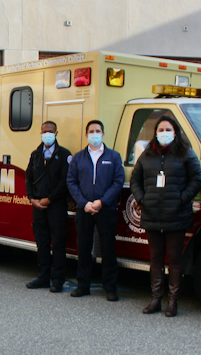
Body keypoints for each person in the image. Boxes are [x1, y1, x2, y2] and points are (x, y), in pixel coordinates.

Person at [129, 115, 201, 316]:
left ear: (175, 131)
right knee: (156, 259)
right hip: (152, 213)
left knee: (175, 260)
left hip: (176, 214)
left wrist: (182, 198)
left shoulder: (186, 153)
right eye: (160, 129)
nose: (164, 133)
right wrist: (141, 198)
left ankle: (173, 301)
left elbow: (197, 179)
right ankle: (155, 299)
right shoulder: (147, 155)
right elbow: (135, 179)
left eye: (167, 129)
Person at [66, 120, 125, 301]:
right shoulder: (78, 158)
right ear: (86, 135)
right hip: (84, 209)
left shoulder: (113, 156)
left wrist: (102, 201)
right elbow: (71, 182)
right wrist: (84, 203)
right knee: (83, 248)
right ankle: (83, 286)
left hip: (105, 209)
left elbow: (118, 182)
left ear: (103, 134)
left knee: (107, 249)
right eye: (91, 131)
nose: (94, 134)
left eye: (98, 131)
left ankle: (110, 288)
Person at [25, 121, 72, 292]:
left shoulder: (64, 154)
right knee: (42, 242)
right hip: (38, 206)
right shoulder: (36, 155)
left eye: (50, 131)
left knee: (58, 243)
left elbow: (64, 182)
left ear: (56, 133)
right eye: (44, 131)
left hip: (56, 206)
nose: (47, 134)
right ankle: (43, 277)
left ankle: (58, 279)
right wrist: (32, 198)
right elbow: (28, 178)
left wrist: (49, 200)